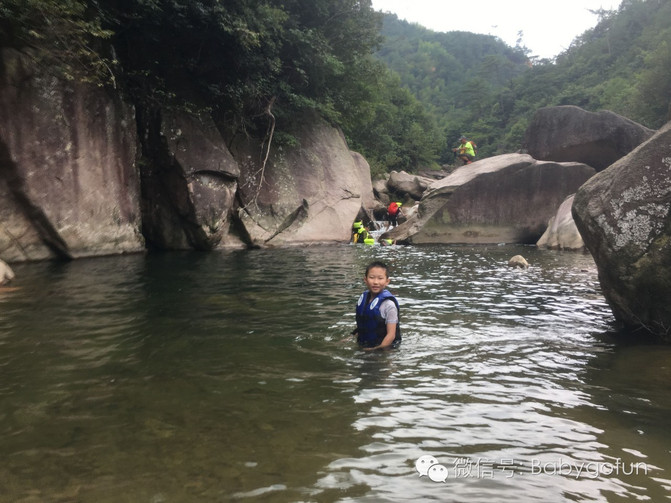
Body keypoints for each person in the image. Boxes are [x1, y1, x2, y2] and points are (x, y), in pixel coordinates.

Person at [351, 261, 401, 350]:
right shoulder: (364, 299)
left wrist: (376, 349)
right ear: (365, 280)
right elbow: (365, 324)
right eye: (372, 277)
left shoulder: (389, 305)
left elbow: (391, 335)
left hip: (385, 348)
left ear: (387, 281)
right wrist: (351, 337)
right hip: (365, 345)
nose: (375, 282)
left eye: (380, 278)